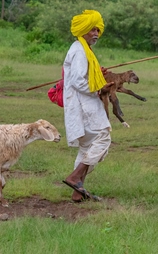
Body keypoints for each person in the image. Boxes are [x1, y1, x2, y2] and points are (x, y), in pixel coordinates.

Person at [62, 10, 114, 202]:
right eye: (92, 29)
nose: (96, 34)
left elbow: (84, 76)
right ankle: (75, 177)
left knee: (87, 146)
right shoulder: (79, 50)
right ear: (82, 30)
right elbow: (77, 80)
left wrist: (99, 76)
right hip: (84, 103)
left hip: (83, 102)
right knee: (102, 137)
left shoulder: (84, 50)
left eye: (98, 30)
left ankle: (78, 191)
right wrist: (99, 89)